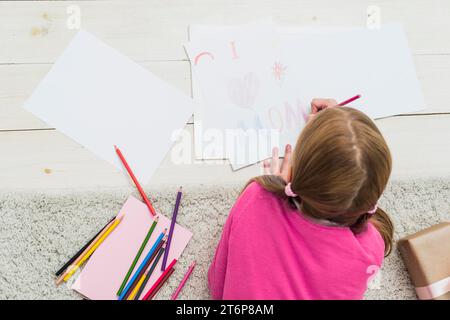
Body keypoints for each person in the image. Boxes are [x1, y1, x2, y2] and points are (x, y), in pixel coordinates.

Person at [208, 98, 394, 299]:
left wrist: (272, 192)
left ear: (299, 170)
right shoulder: (370, 249)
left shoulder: (257, 198)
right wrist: (332, 143)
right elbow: (355, 187)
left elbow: (217, 283)